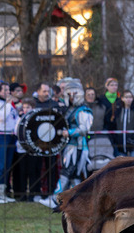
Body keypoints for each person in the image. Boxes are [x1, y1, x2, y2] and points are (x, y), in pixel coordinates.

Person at [38, 79, 93, 208]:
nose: (71, 97)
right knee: (73, 175)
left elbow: (85, 129)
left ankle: (56, 199)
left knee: (66, 172)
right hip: (70, 146)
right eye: (69, 94)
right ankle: (77, 201)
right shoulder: (71, 109)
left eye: (73, 94)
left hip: (78, 146)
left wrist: (69, 132)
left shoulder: (83, 110)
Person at [110, 90, 134, 157]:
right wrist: (115, 139)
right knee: (122, 166)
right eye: (126, 97)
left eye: (130, 97)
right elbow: (112, 126)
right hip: (120, 146)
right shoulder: (117, 111)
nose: (128, 99)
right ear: (122, 98)